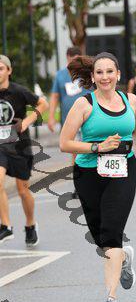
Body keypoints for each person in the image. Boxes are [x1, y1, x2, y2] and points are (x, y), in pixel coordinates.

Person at [60, 52, 136, 302]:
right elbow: (65, 143)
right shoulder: (84, 104)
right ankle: (123, 257)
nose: (105, 77)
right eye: (99, 72)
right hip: (88, 173)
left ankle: (110, 300)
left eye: (110, 71)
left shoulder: (130, 100)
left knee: (111, 233)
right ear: (92, 76)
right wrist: (97, 147)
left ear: (118, 74)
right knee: (102, 239)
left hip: (124, 170)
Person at [0, 55, 48, 245]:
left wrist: (26, 122)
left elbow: (43, 104)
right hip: (0, 147)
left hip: (19, 147)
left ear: (9, 71)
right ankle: (6, 226)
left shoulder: (18, 91)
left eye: (1, 68)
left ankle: (30, 224)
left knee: (22, 191)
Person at [48, 46, 90, 198]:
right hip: (70, 121)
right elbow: (54, 96)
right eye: (71, 60)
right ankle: (79, 186)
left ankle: (91, 182)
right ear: (67, 58)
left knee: (90, 151)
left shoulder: (87, 73)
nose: (74, 63)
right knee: (76, 153)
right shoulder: (60, 75)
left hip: (88, 119)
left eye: (77, 60)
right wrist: (51, 117)